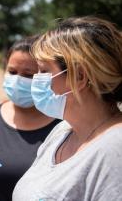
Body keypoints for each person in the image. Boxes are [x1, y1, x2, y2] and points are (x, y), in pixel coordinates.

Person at [13, 17, 122, 200]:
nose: (36, 80)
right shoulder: (63, 130)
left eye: (44, 71)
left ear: (79, 76)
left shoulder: (115, 151)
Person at [0, 36, 61, 201]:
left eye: (28, 75)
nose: (17, 80)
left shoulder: (62, 128)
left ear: (46, 77)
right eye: (12, 72)